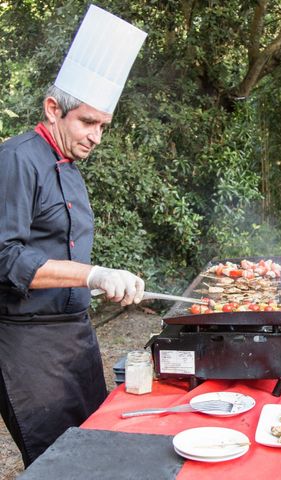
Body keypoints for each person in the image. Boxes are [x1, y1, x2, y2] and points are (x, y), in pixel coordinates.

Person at [0, 5, 147, 466]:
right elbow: (5, 257)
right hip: (28, 345)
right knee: (58, 465)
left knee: (96, 447)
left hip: (76, 338)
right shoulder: (17, 160)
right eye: (88, 122)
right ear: (53, 109)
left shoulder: (71, 167)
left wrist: (97, 285)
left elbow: (58, 248)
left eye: (104, 125)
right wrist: (91, 273)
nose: (97, 137)